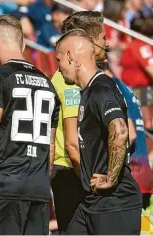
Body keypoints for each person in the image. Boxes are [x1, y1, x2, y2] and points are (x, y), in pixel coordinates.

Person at [0, 14, 60, 235]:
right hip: (39, 189)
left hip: (3, 187)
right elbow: (50, 148)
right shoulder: (48, 84)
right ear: (23, 44)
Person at [56, 29, 142, 234]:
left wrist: (110, 178)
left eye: (58, 60)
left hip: (116, 202)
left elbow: (121, 131)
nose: (58, 69)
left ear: (70, 56)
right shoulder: (86, 92)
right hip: (93, 201)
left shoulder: (100, 88)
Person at [50, 11, 109, 234]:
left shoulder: (88, 78)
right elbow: (73, 144)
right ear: (88, 42)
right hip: (72, 173)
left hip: (79, 172)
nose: (107, 43)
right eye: (103, 38)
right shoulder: (69, 80)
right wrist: (89, 185)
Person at [97, 60, 153, 210]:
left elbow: (129, 134)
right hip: (144, 171)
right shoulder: (125, 87)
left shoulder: (108, 86)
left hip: (130, 173)